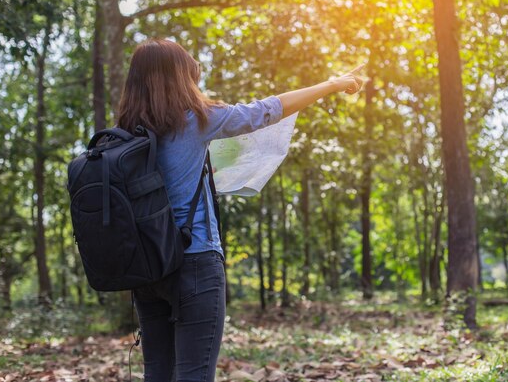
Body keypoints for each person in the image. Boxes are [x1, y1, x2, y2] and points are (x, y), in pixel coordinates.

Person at [116, 38, 364, 382]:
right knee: (194, 374)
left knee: (157, 373)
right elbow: (266, 110)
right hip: (195, 263)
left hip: (149, 269)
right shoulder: (195, 121)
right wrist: (331, 84)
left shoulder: (125, 134)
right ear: (177, 79)